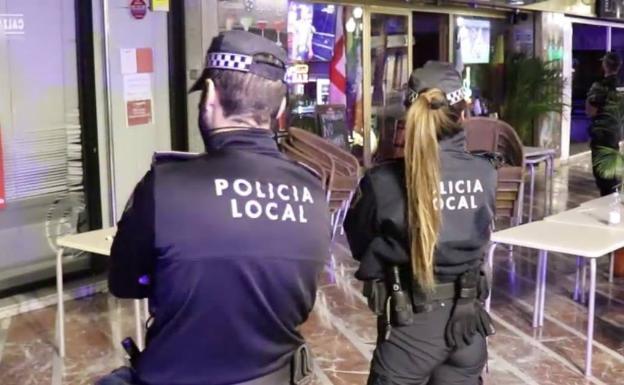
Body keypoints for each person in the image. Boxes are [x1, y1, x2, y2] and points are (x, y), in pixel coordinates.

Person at [97, 30, 330, 385]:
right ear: (280, 110)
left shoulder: (165, 185)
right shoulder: (313, 189)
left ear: (208, 97)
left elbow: (125, 282)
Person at [344, 61, 497, 385]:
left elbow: (360, 243)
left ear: (408, 116)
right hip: (468, 326)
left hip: (409, 330)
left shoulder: (383, 182)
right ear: (465, 114)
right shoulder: (485, 174)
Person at [586, 52, 622, 196]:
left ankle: (608, 204)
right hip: (615, 133)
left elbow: (591, 111)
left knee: (602, 176)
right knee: (611, 172)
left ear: (605, 65)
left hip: (601, 135)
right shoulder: (621, 86)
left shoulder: (600, 86)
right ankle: (613, 201)